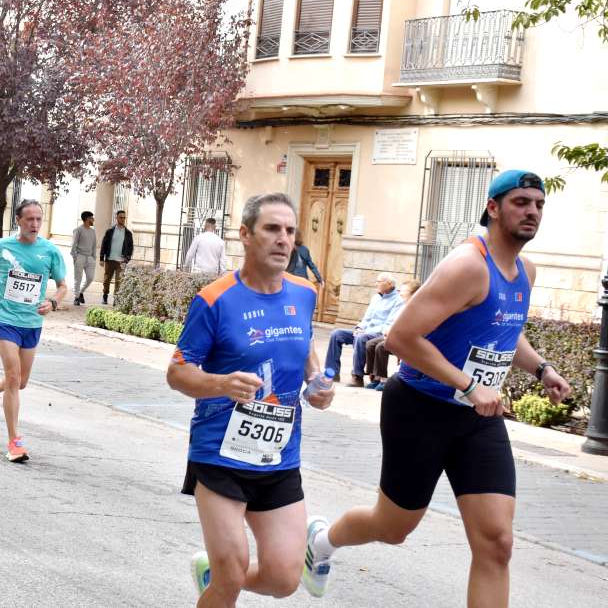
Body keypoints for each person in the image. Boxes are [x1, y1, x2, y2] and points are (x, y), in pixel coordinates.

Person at [302, 170, 573, 607]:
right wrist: (469, 384)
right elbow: (400, 338)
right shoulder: (467, 265)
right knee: (393, 528)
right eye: (521, 202)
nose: (532, 212)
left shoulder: (525, 271)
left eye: (539, 204)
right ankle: (322, 542)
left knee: (497, 543)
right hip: (420, 408)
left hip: (477, 419)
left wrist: (541, 369)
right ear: (493, 208)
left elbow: (503, 329)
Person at [167, 192, 334, 607]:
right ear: (245, 234)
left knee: (283, 579)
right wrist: (221, 383)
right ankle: (221, 575)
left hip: (278, 456)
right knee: (231, 574)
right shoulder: (214, 299)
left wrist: (316, 382)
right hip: (221, 455)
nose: (283, 239)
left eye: (290, 231)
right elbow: (178, 372)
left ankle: (213, 572)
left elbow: (304, 345)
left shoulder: (303, 293)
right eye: (272, 229)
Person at [0, 199, 68, 463]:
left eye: (39, 219)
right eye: (30, 219)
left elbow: (63, 286)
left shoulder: (50, 251)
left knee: (21, 381)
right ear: (18, 220)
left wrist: (53, 302)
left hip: (32, 322)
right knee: (14, 377)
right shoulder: (2, 247)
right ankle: (14, 441)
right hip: (5, 319)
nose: (35, 224)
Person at [325, 273, 403, 387]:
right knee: (337, 334)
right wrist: (359, 327)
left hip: (378, 334)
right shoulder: (376, 297)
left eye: (379, 281)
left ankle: (357, 376)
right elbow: (366, 319)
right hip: (366, 331)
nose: (376, 284)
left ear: (389, 284)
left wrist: (365, 332)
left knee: (361, 338)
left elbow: (389, 324)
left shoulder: (398, 301)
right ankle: (332, 373)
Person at [363, 279, 421, 390]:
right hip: (394, 335)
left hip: (404, 340)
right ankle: (375, 377)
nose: (400, 293)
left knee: (381, 347)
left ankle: (383, 380)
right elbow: (393, 322)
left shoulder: (415, 308)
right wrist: (388, 332)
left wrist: (392, 334)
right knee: (370, 344)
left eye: (404, 290)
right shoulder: (403, 305)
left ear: (413, 293)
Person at [98, 209, 132, 305]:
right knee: (106, 280)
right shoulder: (110, 231)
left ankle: (116, 299)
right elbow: (104, 244)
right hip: (110, 260)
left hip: (121, 261)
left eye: (124, 218)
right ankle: (105, 296)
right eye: (121, 217)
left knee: (119, 281)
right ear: (116, 218)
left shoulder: (128, 233)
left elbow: (130, 248)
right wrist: (101, 258)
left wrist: (127, 259)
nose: (122, 219)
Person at [70, 211, 97, 306]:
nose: (93, 219)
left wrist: (94, 258)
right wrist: (75, 257)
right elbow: (73, 244)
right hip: (80, 256)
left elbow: (94, 245)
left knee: (90, 277)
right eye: (91, 218)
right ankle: (76, 297)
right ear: (87, 219)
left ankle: (81, 292)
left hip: (90, 258)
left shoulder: (93, 231)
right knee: (78, 278)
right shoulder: (78, 230)